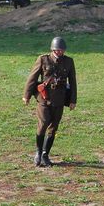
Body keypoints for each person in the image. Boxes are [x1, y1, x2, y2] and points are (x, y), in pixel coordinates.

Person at [23, 37, 77, 167]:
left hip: (59, 99)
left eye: (61, 50)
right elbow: (33, 77)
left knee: (53, 128)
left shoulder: (69, 62)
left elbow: (73, 82)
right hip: (44, 99)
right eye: (57, 50)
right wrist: (27, 95)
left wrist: (73, 100)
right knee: (43, 124)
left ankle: (46, 154)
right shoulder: (43, 59)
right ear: (52, 49)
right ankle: (38, 153)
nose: (59, 52)